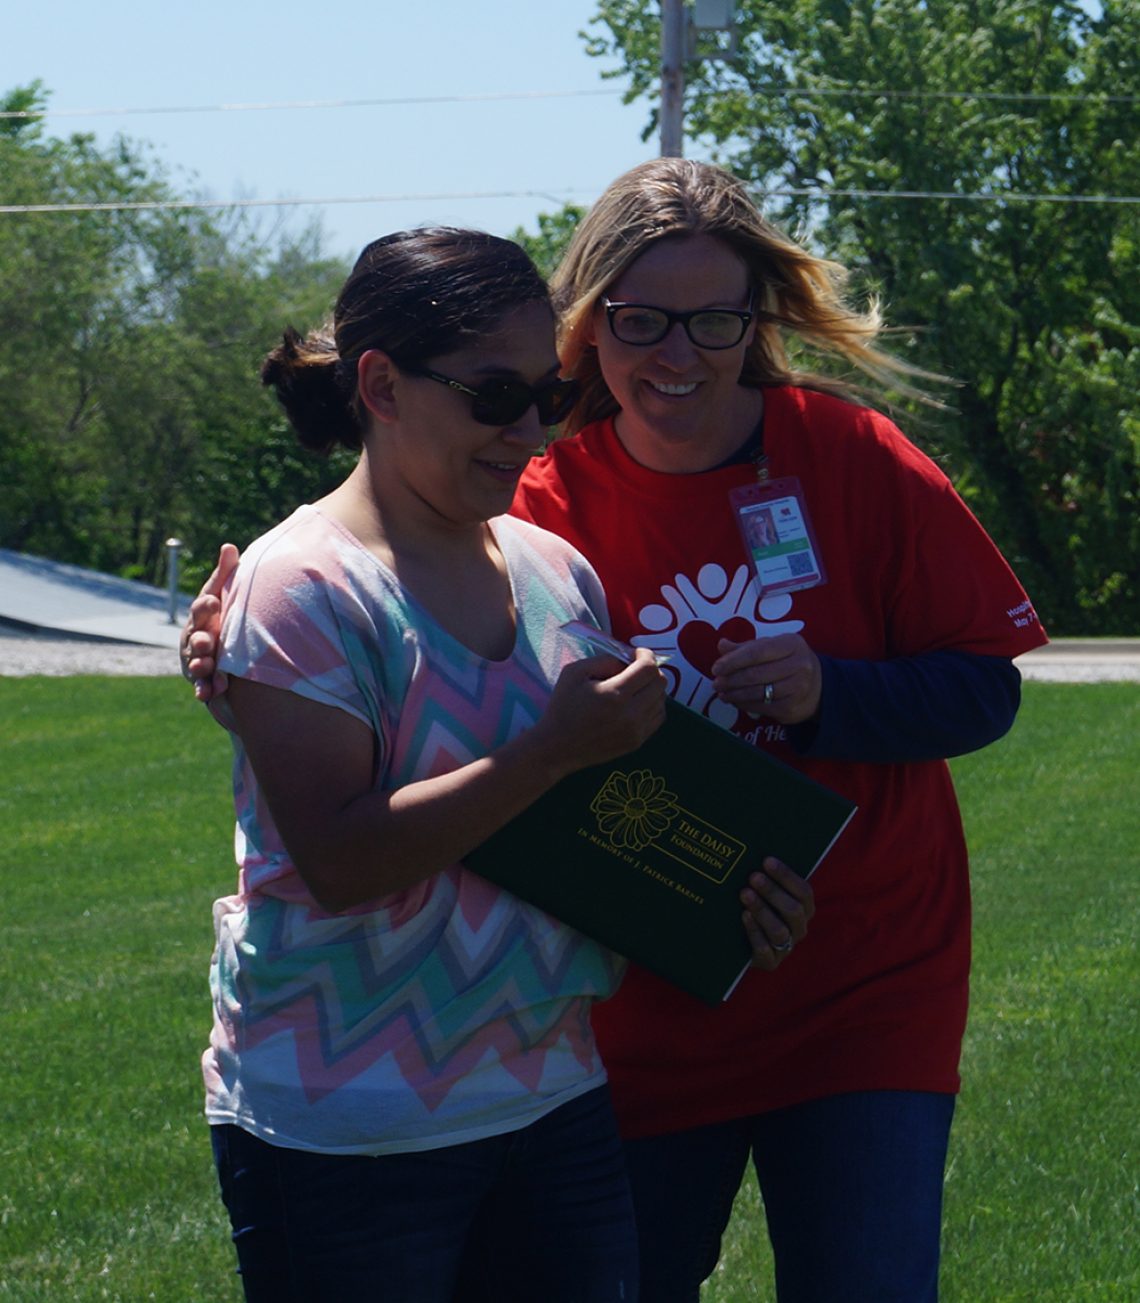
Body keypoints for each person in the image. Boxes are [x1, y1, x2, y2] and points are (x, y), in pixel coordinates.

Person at [186, 159, 1047, 1302]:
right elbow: (392, 616)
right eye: (641, 320)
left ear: (757, 322)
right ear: (588, 326)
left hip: (853, 983)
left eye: (715, 320)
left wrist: (832, 695)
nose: (676, 354)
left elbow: (985, 687)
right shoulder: (533, 497)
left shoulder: (840, 462)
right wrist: (241, 652)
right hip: (631, 1011)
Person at [190, 224, 812, 1303]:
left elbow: (593, 819)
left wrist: (733, 895)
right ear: (380, 384)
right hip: (350, 1126)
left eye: (548, 395)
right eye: (492, 396)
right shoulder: (304, 585)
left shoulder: (556, 569)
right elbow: (340, 857)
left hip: (552, 1096)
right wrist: (551, 749)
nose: (530, 430)